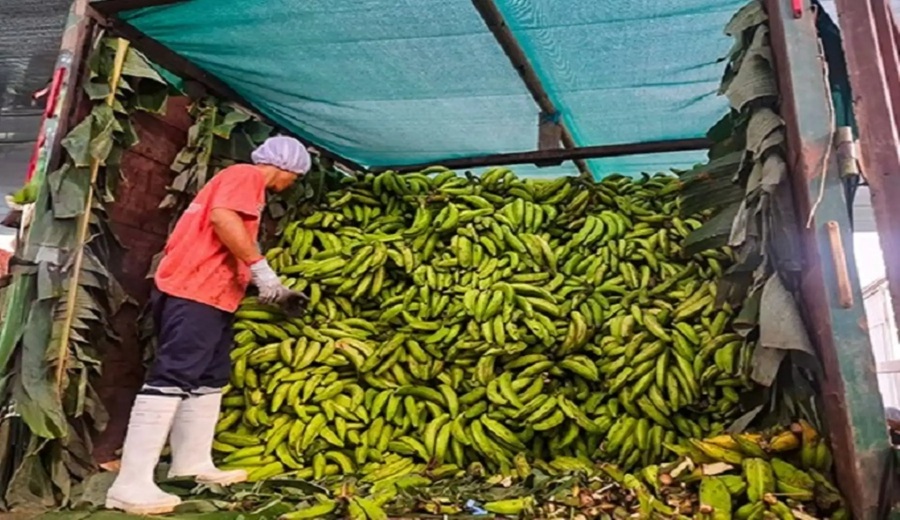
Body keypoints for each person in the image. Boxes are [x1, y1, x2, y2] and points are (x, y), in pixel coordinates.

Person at [105, 136, 311, 515]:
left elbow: (224, 245)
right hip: (193, 290)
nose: (289, 185)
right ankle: (130, 483)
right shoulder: (245, 175)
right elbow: (222, 218)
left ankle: (192, 462)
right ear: (287, 168)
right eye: (294, 178)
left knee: (209, 378)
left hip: (214, 295)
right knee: (174, 375)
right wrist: (262, 271)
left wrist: (272, 290)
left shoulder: (242, 186)